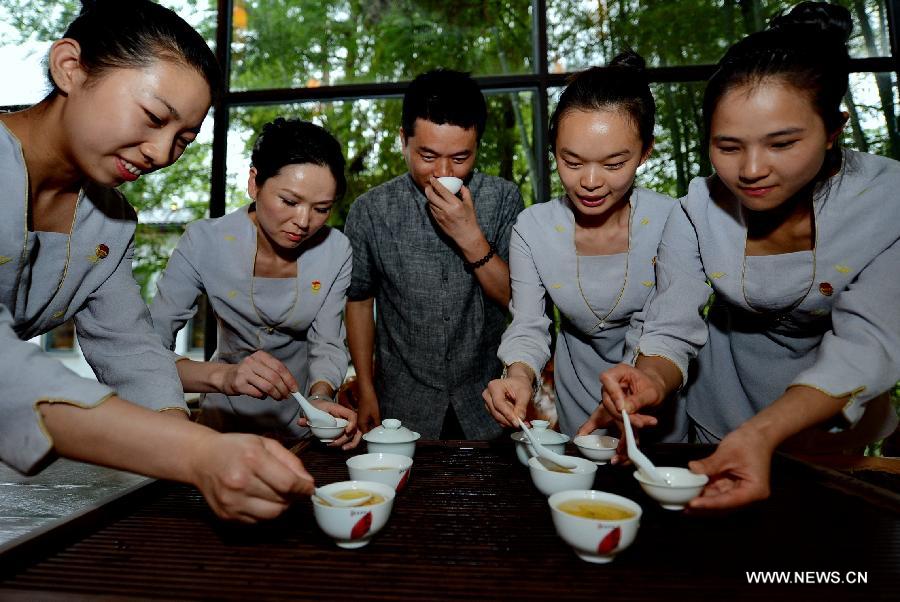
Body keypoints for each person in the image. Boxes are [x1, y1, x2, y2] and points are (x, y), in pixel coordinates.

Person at [0, 0, 314, 523]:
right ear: (70, 68)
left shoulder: (109, 220)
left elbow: (132, 353)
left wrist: (187, 443)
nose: (162, 154)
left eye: (183, 141)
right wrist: (195, 453)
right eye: (153, 118)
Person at [589, 2, 900, 509]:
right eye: (729, 147)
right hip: (717, 409)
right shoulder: (698, 208)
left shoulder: (888, 204)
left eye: (782, 143)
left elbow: (868, 345)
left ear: (835, 127)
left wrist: (764, 432)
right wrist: (647, 378)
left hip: (828, 419)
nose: (752, 169)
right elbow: (672, 322)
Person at [483, 51, 680, 438]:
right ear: (554, 149)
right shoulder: (533, 228)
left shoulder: (672, 220)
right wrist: (519, 375)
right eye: (572, 162)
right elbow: (528, 323)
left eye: (612, 164)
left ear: (645, 153)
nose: (590, 182)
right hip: (578, 398)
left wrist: (646, 384)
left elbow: (671, 328)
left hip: (659, 396)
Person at [150, 118, 360, 448]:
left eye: (321, 209)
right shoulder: (205, 242)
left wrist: (320, 398)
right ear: (254, 183)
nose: (304, 222)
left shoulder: (335, 250)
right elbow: (148, 348)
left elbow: (328, 342)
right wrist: (216, 379)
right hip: (222, 420)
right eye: (289, 202)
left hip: (299, 420)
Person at [344, 69, 524, 439]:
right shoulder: (371, 211)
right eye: (427, 155)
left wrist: (470, 236)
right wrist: (365, 388)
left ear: (477, 147)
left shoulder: (503, 199)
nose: (442, 173)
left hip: (487, 400)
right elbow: (359, 302)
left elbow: (517, 299)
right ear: (403, 141)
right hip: (402, 402)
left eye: (460, 158)